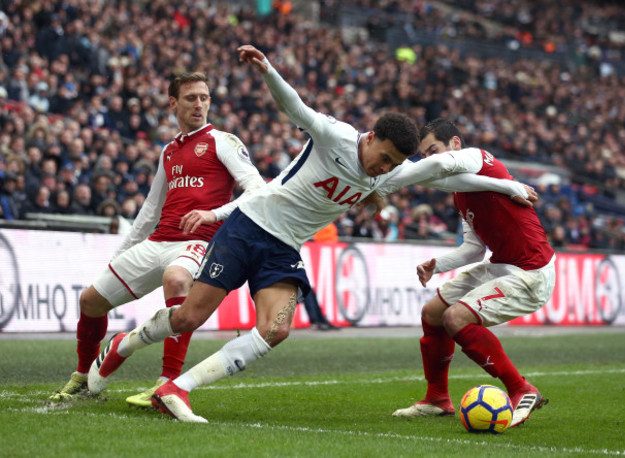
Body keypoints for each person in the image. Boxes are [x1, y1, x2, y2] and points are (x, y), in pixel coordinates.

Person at [85, 45, 535, 423]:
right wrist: (268, 71)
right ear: (371, 136)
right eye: (384, 158)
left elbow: (444, 173)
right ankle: (123, 343)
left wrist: (505, 184)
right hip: (249, 227)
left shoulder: (389, 173)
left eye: (396, 164)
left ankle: (177, 389)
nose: (386, 169)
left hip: (283, 248)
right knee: (187, 319)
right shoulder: (336, 136)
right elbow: (294, 107)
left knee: (276, 330)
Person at [48, 72, 266, 407]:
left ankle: (166, 384)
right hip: (158, 240)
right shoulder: (169, 151)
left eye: (204, 97)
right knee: (91, 301)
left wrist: (214, 214)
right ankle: (83, 379)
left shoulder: (223, 141)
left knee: (176, 279)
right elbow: (150, 209)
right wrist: (120, 254)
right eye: (191, 97)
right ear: (173, 103)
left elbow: (258, 189)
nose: (199, 104)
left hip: (198, 242)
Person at [389, 118, 555, 428]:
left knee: (456, 318)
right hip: (501, 265)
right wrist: (436, 265)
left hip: (531, 271)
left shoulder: (476, 157)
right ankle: (437, 398)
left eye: (433, 150)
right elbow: (474, 249)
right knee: (434, 313)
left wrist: (397, 172)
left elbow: (441, 168)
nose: (429, 160)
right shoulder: (459, 192)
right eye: (423, 155)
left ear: (454, 144)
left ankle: (521, 389)